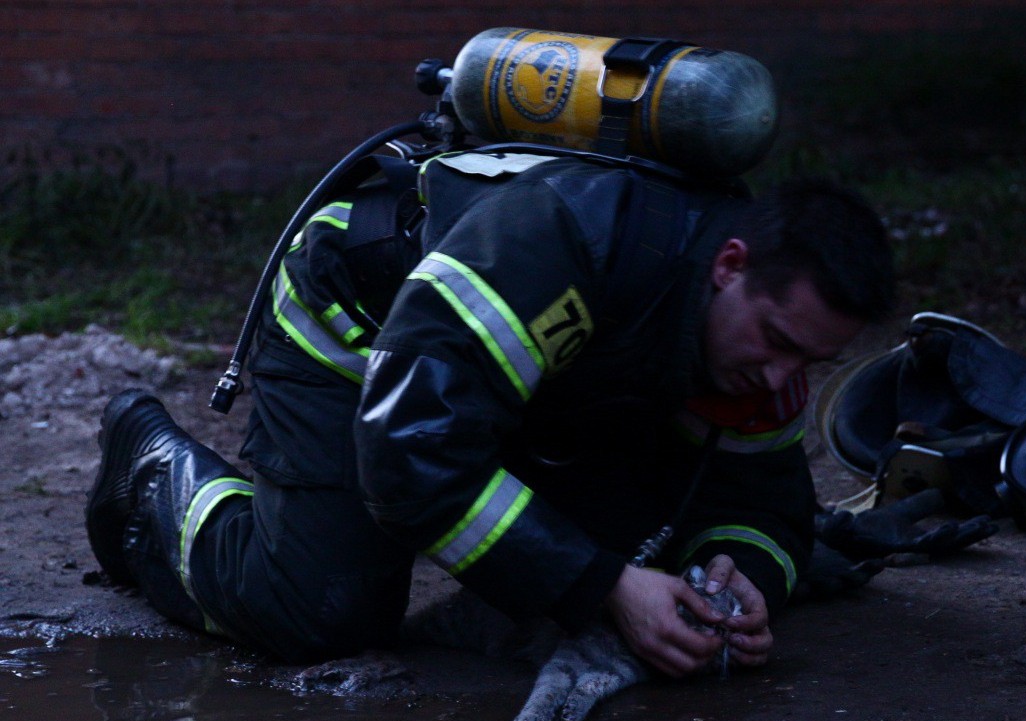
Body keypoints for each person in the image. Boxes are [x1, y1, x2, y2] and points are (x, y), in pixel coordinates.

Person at [86, 150, 896, 685]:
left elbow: (764, 505)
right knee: (323, 612)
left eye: (810, 363)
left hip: (515, 387)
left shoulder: (755, 339)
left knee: (639, 551)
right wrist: (605, 587)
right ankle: (153, 468)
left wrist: (737, 577)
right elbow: (409, 457)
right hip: (356, 330)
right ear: (730, 267)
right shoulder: (556, 248)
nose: (784, 378)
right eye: (779, 342)